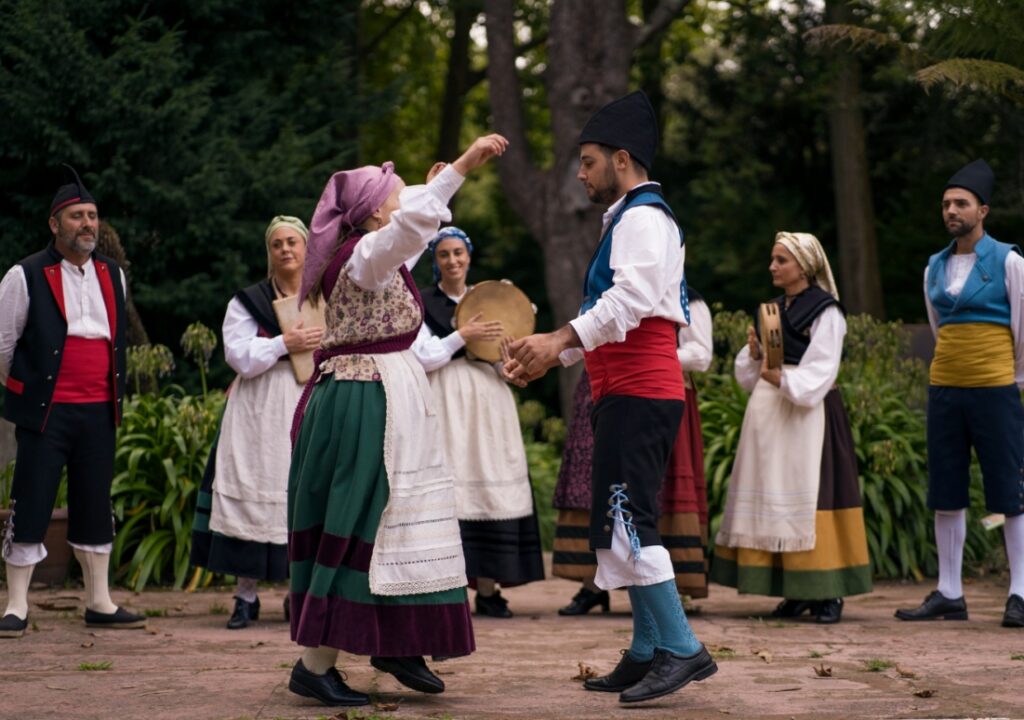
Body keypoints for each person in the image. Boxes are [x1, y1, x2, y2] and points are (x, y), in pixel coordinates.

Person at [504, 91, 716, 705]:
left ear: (622, 160)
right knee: (625, 521)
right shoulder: (632, 217)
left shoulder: (645, 219)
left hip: (642, 391)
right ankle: (648, 649)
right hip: (627, 388)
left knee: (629, 521)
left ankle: (681, 647)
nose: (580, 172)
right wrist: (554, 352)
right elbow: (617, 312)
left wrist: (559, 341)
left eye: (589, 160)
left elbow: (626, 307)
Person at [286, 134, 508, 708]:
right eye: (394, 193)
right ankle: (315, 664)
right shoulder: (362, 256)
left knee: (402, 515)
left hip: (388, 393)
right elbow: (407, 233)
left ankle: (398, 641)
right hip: (364, 398)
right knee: (365, 515)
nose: (402, 198)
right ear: (373, 212)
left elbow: (411, 231)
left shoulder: (377, 255)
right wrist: (460, 168)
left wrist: (437, 183)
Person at [0, 166, 146, 638]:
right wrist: (27, 389)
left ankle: (99, 601)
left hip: (100, 409)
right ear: (54, 224)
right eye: (77, 216)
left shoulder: (114, 275)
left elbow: (114, 341)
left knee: (94, 501)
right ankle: (16, 605)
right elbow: (3, 345)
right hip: (48, 411)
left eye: (92, 216)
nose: (87, 224)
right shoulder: (24, 274)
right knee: (33, 500)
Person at [710, 232, 872, 624]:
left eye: (781, 260)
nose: (773, 266)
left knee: (812, 497)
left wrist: (779, 377)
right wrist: (753, 357)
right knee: (774, 496)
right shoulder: (771, 311)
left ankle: (827, 592)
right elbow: (751, 376)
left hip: (807, 414)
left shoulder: (826, 311)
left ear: (805, 265)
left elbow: (820, 370)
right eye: (773, 259)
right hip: (769, 414)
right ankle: (793, 589)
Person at [896, 159, 1024, 628]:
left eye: (961, 203)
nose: (952, 210)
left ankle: (1020, 592)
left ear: (982, 210)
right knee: (945, 487)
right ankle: (950, 591)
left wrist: (1014, 379)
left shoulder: (1010, 261)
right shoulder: (934, 265)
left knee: (1009, 489)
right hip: (946, 390)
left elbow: (1022, 329)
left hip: (996, 389)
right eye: (947, 203)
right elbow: (938, 325)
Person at [190, 216, 322, 629]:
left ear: (306, 249)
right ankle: (245, 596)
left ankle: (294, 595)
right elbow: (239, 356)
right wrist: (286, 342)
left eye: (293, 243)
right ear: (270, 252)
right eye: (278, 244)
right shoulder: (248, 301)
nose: (286, 250)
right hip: (260, 406)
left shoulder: (322, 297)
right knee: (257, 488)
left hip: (309, 399)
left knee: (301, 493)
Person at [411, 227, 545, 619]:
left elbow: (501, 357)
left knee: (489, 478)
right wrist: (461, 334)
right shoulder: (421, 304)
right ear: (434, 261)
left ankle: (488, 587)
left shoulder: (489, 299)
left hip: (488, 398)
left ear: (469, 257)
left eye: (458, 253)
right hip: (445, 396)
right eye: (443, 254)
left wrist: (510, 365)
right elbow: (423, 356)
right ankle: (446, 588)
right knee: (450, 483)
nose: (452, 261)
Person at [553, 289, 713, 615]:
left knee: (645, 496)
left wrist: (650, 354)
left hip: (653, 386)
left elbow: (701, 355)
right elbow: (589, 333)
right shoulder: (609, 295)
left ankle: (667, 597)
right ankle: (593, 583)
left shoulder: (686, 300)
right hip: (605, 388)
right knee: (596, 489)